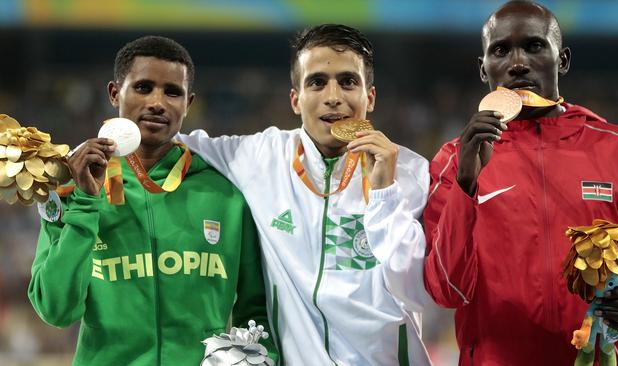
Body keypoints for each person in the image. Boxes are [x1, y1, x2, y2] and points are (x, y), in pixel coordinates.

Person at [177, 24, 433, 365]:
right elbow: (168, 142)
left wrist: (384, 192)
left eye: (348, 81)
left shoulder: (411, 173)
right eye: (317, 82)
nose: (333, 96)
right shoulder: (259, 158)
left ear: (369, 97)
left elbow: (418, 293)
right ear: (296, 99)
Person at [422, 1, 618, 365]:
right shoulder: (454, 160)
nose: (517, 63)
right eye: (500, 50)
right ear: (484, 70)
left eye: (534, 46)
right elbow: (445, 290)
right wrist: (466, 185)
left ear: (562, 60)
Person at [28, 36, 276, 366]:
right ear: (115, 93)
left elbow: (256, 314)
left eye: (172, 92)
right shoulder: (73, 190)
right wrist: (88, 203)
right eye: (143, 87)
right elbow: (56, 310)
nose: (157, 102)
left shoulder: (227, 197)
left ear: (188, 103)